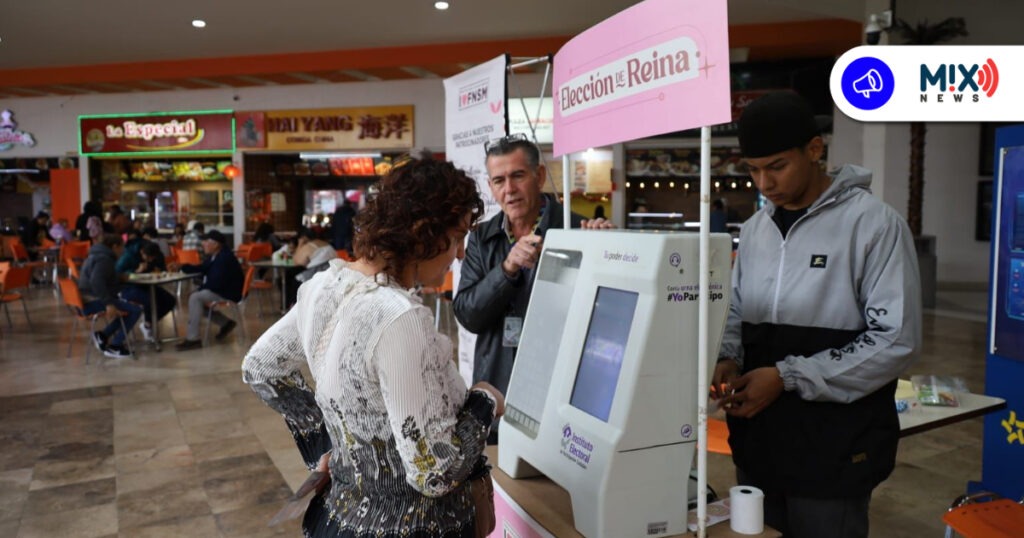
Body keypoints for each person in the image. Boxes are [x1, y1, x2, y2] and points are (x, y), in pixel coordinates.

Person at [241, 157, 503, 537]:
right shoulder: (399, 317)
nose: (460, 253)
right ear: (424, 231)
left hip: (338, 518)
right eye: (458, 236)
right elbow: (433, 473)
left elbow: (261, 368)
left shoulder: (321, 288)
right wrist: (485, 402)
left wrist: (325, 444)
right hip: (415, 527)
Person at [709, 91, 922, 538]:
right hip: (758, 443)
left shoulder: (873, 226)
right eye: (752, 169)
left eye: (777, 166)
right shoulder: (753, 231)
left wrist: (788, 376)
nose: (764, 183)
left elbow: (894, 339)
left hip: (835, 448)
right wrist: (727, 356)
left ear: (814, 150)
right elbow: (738, 307)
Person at [453, 134, 613, 405]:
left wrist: (606, 255)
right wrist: (506, 270)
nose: (509, 189)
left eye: (518, 176)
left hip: (561, 386)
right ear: (491, 187)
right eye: (499, 181)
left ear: (539, 176)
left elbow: (604, 316)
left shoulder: (576, 230)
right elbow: (468, 315)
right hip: (498, 390)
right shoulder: (482, 237)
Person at [176, 229, 243, 350]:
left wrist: (199, 289)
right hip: (222, 289)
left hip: (228, 292)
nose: (203, 244)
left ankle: (193, 339)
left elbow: (216, 283)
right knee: (198, 299)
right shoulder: (216, 256)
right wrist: (182, 267)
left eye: (206, 241)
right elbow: (202, 268)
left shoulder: (223, 258)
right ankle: (225, 323)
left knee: (195, 298)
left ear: (215, 244)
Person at [78, 233, 143, 359]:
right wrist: (108, 304)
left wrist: (118, 277)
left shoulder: (96, 255)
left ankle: (103, 335)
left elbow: (100, 276)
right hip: (93, 300)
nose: (123, 251)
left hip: (86, 298)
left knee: (128, 309)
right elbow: (96, 281)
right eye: (121, 247)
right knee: (135, 310)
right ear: (114, 246)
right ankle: (115, 346)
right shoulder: (105, 259)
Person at [119, 241, 178, 343]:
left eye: (153, 258)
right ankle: (148, 326)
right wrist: (136, 271)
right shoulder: (129, 255)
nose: (150, 260)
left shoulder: (158, 255)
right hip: (129, 287)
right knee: (150, 300)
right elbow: (118, 273)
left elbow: (162, 268)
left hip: (148, 285)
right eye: (148, 257)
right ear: (142, 252)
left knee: (170, 300)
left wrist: (163, 270)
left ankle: (147, 324)